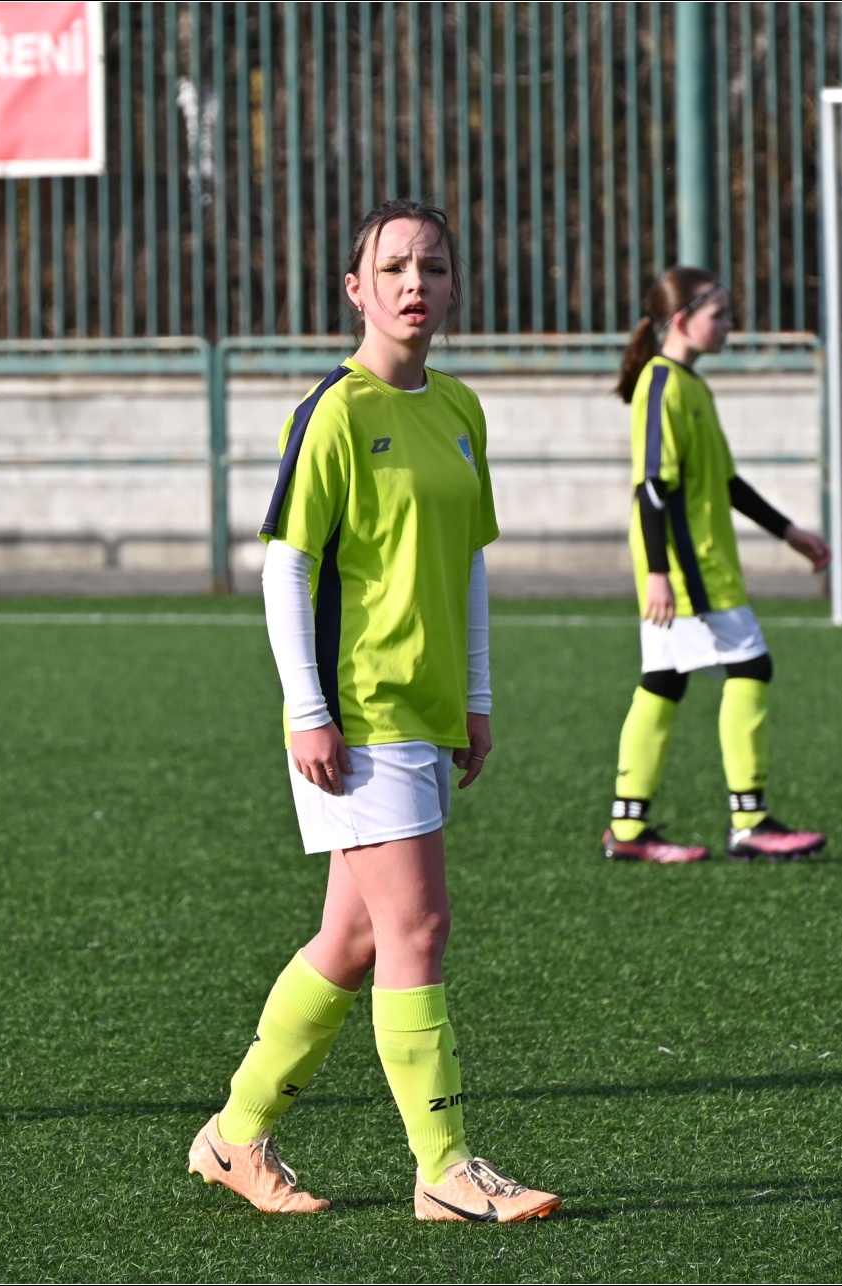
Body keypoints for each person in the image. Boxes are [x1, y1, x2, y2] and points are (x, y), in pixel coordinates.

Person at [186, 199, 559, 1223]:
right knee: (418, 926)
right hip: (358, 715)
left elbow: (467, 562)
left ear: (453, 286)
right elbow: (286, 567)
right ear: (355, 288)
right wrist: (306, 709)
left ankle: (233, 1136)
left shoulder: (461, 409)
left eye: (431, 267)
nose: (413, 284)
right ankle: (445, 1168)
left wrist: (475, 697)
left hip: (426, 712)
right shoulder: (335, 412)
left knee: (351, 939)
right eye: (392, 267)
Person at [600, 267, 832, 864]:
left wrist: (790, 533)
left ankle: (627, 827)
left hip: (696, 564)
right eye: (719, 314)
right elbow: (652, 488)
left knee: (664, 682)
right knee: (752, 666)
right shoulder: (662, 385)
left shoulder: (690, 386)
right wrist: (658, 572)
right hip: (687, 569)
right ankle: (749, 820)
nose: (730, 324)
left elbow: (725, 481)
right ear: (681, 321)